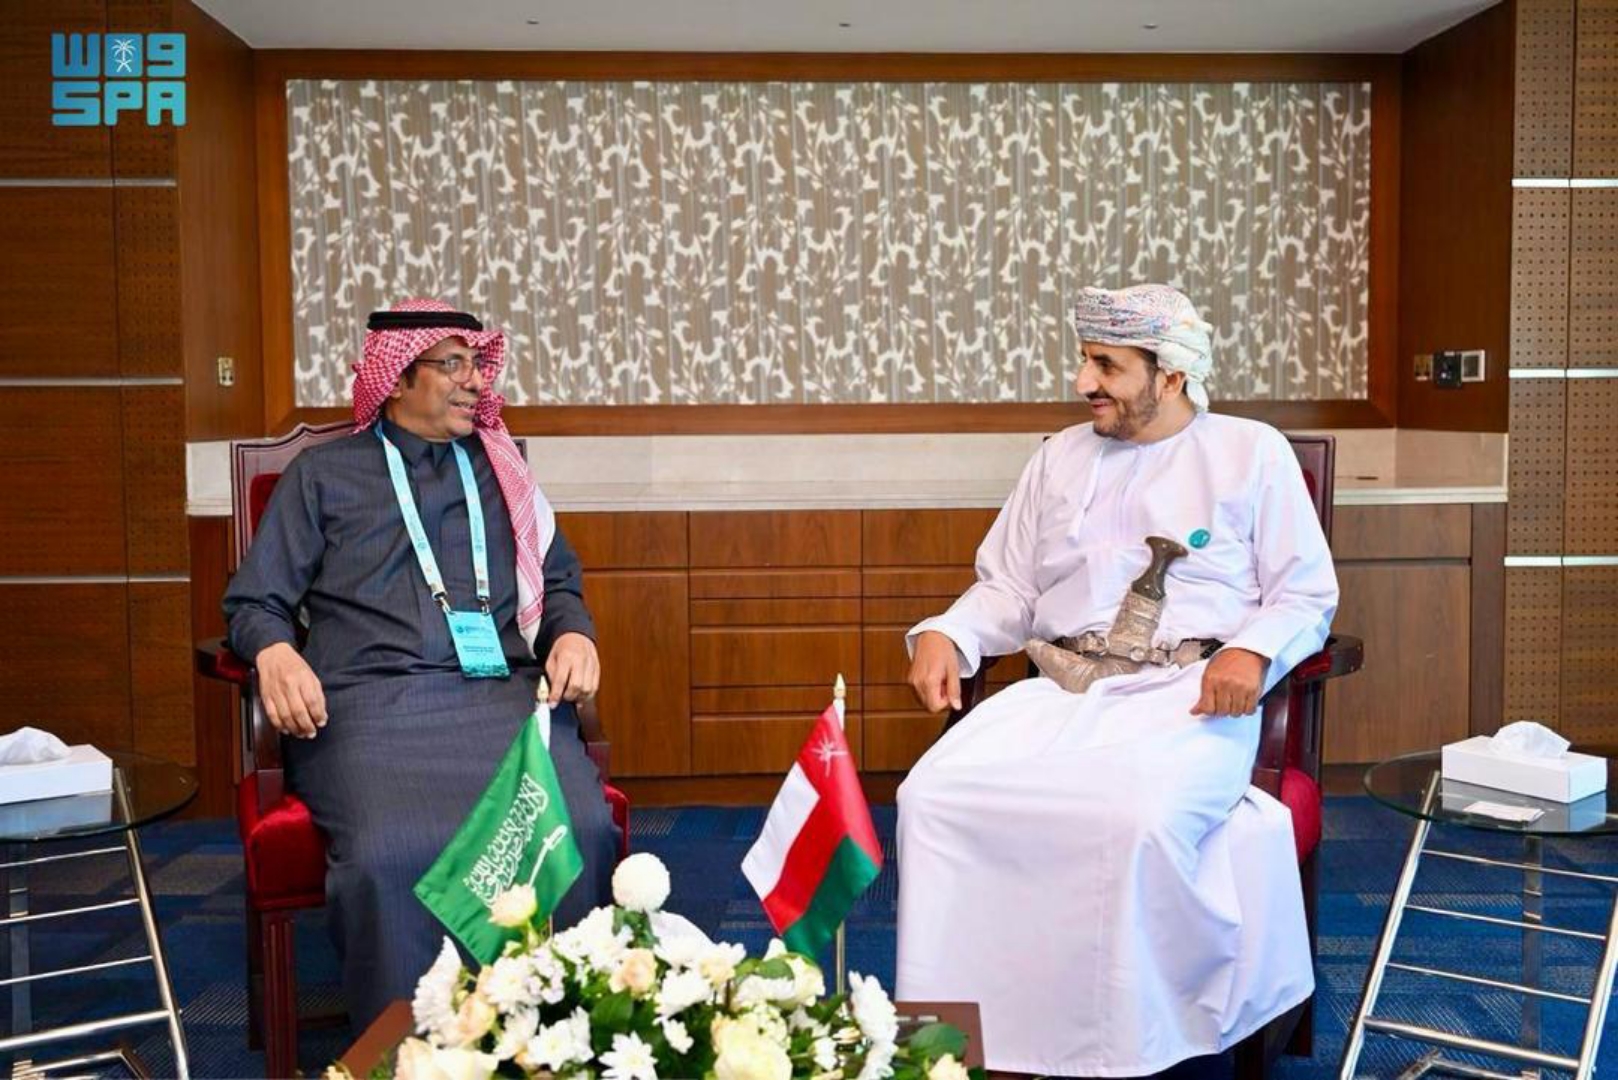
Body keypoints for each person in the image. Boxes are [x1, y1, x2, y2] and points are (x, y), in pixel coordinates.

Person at [896, 284, 1339, 1077]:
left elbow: (1304, 594)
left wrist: (1252, 652)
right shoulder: (1060, 456)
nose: (1083, 382)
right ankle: (958, 1041)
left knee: (1134, 817)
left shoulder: (1252, 453)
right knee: (932, 798)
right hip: (1058, 692)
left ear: (1170, 374)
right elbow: (1009, 589)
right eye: (1083, 360)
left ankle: (1130, 1046)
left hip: (1187, 701)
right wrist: (948, 632)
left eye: (1106, 365)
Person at [224, 299, 617, 1029]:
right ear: (398, 379)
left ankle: (557, 1037)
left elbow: (558, 582)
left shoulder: (502, 474)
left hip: (500, 700)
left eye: (479, 364)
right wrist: (274, 651)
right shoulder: (323, 476)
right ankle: (407, 1045)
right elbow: (255, 601)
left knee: (581, 828)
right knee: (387, 853)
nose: (477, 381)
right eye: (454, 364)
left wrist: (574, 635)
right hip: (368, 709)